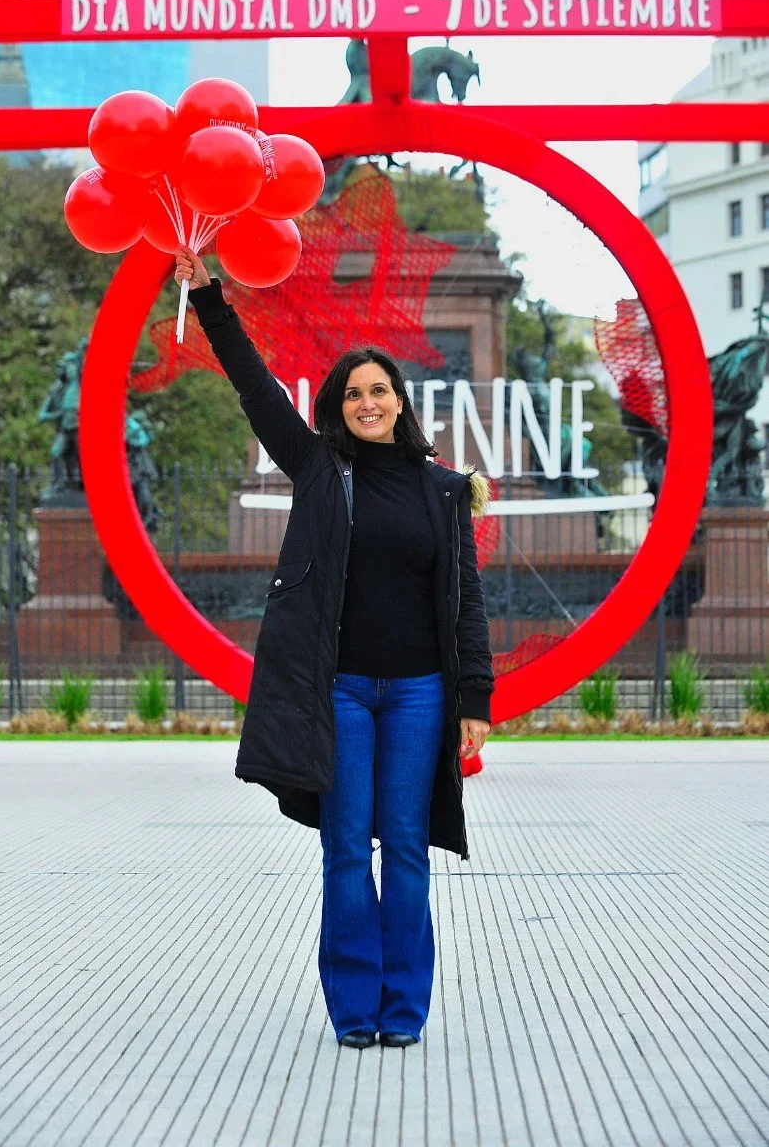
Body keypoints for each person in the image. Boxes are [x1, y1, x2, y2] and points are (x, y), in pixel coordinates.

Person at [176, 245, 494, 1052]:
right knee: (348, 847)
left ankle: (404, 1009)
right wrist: (210, 297)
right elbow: (252, 388)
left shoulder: (443, 490)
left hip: (421, 692)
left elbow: (467, 601)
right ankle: (354, 1006)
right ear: (336, 406)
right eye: (352, 393)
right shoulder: (321, 469)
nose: (366, 402)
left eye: (378, 390)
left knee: (408, 849)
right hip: (343, 691)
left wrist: (475, 701)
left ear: (399, 400)